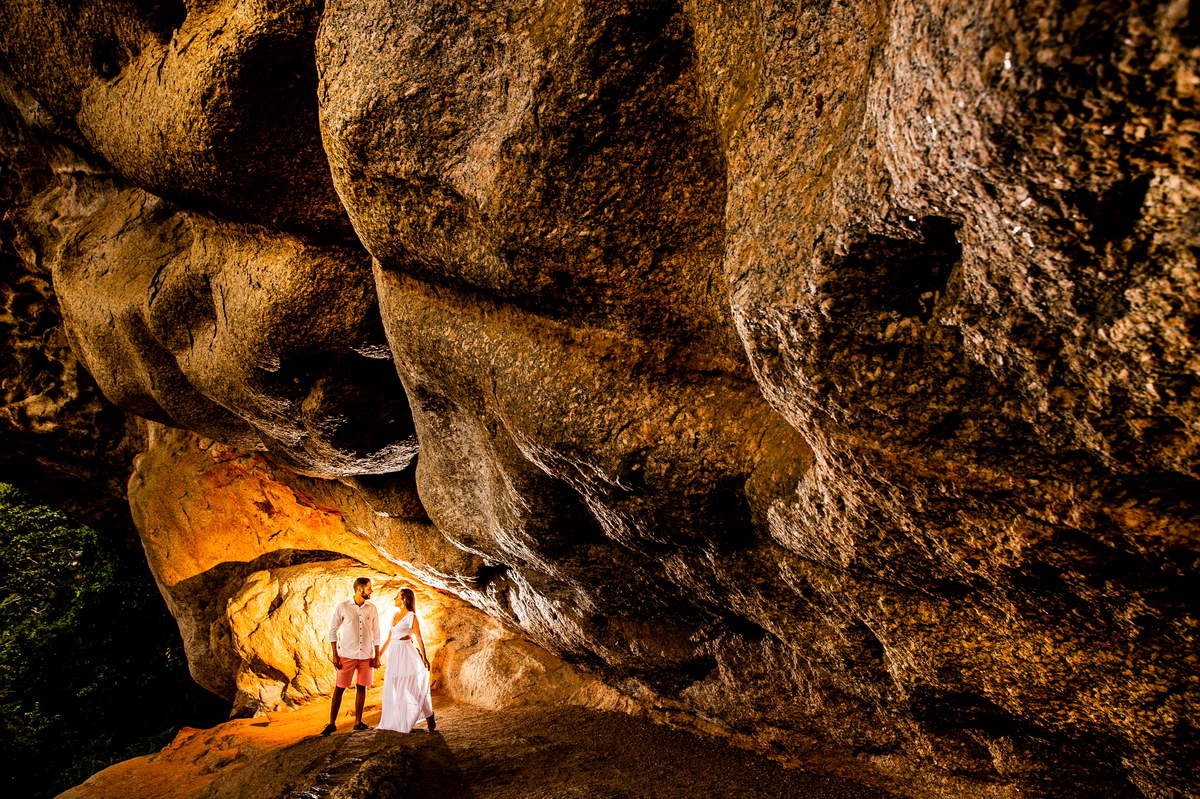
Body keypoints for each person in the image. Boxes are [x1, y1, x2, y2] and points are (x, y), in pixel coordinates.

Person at [320, 576, 382, 735]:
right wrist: (335, 655)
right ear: (360, 590)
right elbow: (333, 630)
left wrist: (377, 656)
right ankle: (332, 723)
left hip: (366, 656)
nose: (372, 591)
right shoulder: (343, 607)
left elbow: (376, 633)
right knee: (339, 688)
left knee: (362, 687)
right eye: (369, 588)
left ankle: (358, 722)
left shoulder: (372, 608)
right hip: (347, 655)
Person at [377, 587, 436, 733]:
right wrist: (378, 656)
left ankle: (429, 715)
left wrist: (424, 658)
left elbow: (419, 638)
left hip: (406, 652)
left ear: (404, 600)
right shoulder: (394, 615)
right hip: (394, 654)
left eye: (397, 597)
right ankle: (399, 719)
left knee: (412, 687)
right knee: (396, 685)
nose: (394, 599)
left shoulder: (412, 617)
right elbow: (389, 639)